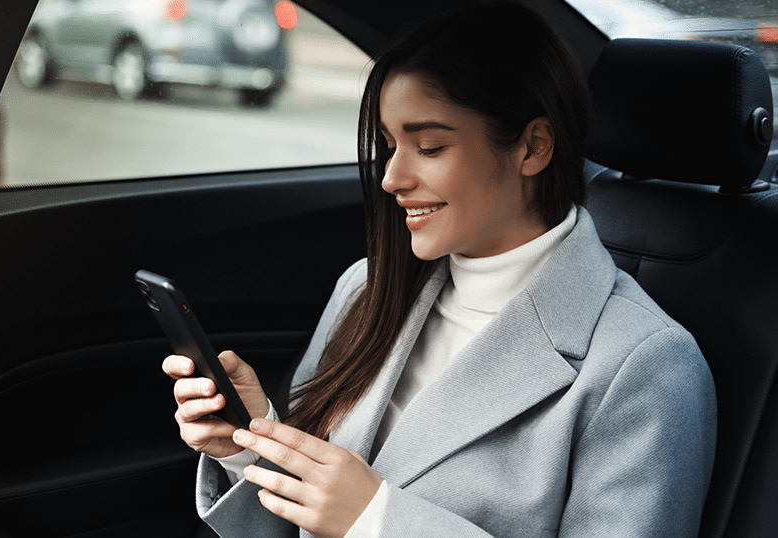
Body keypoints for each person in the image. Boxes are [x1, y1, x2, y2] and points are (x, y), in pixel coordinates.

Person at [163, 2, 717, 537]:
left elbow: (354, 514)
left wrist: (378, 520)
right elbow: (307, 520)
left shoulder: (644, 365)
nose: (391, 178)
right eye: (388, 145)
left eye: (428, 146)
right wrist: (251, 444)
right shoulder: (365, 288)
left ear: (533, 147)